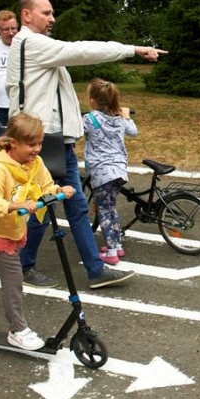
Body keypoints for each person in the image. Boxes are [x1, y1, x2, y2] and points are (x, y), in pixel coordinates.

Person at [7, 0, 166, 289]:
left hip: (57, 142)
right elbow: (81, 50)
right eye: (46, 13)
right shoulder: (32, 43)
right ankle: (24, 267)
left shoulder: (40, 47)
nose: (52, 18)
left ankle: (95, 270)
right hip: (42, 143)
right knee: (43, 208)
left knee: (76, 207)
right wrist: (133, 49)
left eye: (52, 13)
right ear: (26, 15)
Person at [0, 113, 75, 351]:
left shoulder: (35, 162)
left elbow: (45, 184)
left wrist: (58, 190)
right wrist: (13, 205)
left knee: (1, 265)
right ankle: (17, 329)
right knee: (13, 277)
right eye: (31, 144)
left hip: (14, 227)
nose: (37, 149)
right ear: (13, 143)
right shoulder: (0, 169)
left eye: (40, 143)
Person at [82, 78, 138, 265]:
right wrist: (126, 116)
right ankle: (117, 244)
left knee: (104, 210)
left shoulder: (89, 119)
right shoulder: (120, 119)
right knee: (111, 207)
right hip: (119, 171)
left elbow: (76, 132)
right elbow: (134, 131)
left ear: (92, 101)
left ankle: (112, 252)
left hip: (102, 172)